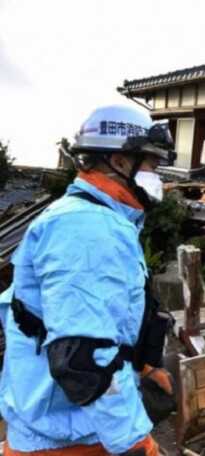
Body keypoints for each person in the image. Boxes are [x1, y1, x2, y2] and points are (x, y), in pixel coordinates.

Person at [0, 105, 176, 455]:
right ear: (120, 161)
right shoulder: (88, 229)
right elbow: (84, 356)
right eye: (152, 165)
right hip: (64, 439)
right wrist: (134, 441)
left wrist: (139, 365)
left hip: (71, 426)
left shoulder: (96, 220)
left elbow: (99, 319)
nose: (158, 178)